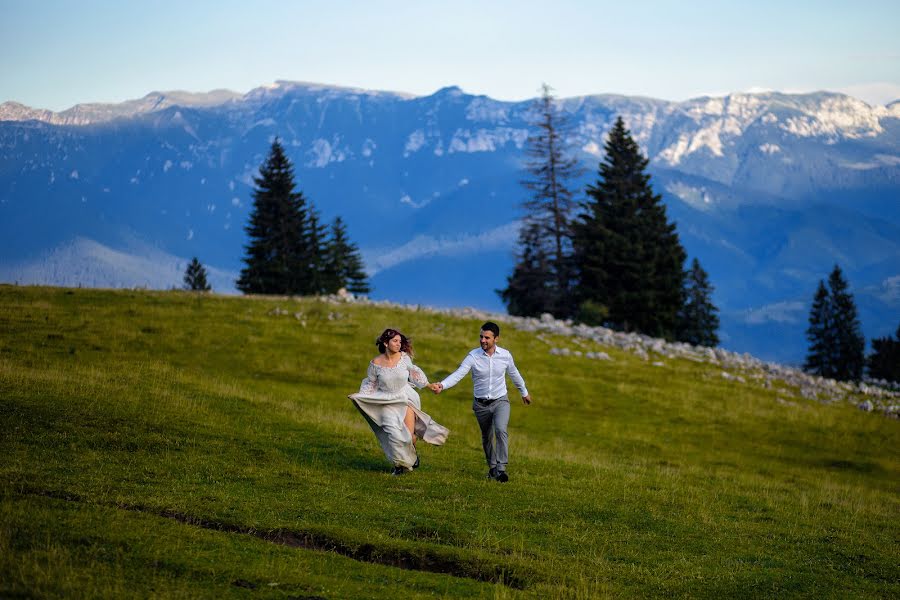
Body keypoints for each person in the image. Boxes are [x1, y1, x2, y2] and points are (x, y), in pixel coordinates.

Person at [430, 321, 531, 482]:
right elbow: (459, 373)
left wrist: (524, 392)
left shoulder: (505, 355)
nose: (483, 340)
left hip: (500, 401)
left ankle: (501, 469)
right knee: (487, 436)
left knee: (500, 430)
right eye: (481, 337)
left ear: (496, 339)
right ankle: (492, 468)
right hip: (481, 405)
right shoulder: (473, 356)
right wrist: (442, 385)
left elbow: (514, 374)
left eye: (487, 337)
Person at [349, 328, 449, 475]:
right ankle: (400, 466)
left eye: (400, 341)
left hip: (405, 398)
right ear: (385, 343)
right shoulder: (375, 363)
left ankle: (412, 456)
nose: (398, 344)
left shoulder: (404, 358)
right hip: (386, 401)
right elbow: (370, 384)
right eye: (395, 341)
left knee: (408, 437)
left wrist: (428, 385)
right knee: (394, 434)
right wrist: (360, 397)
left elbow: (414, 373)